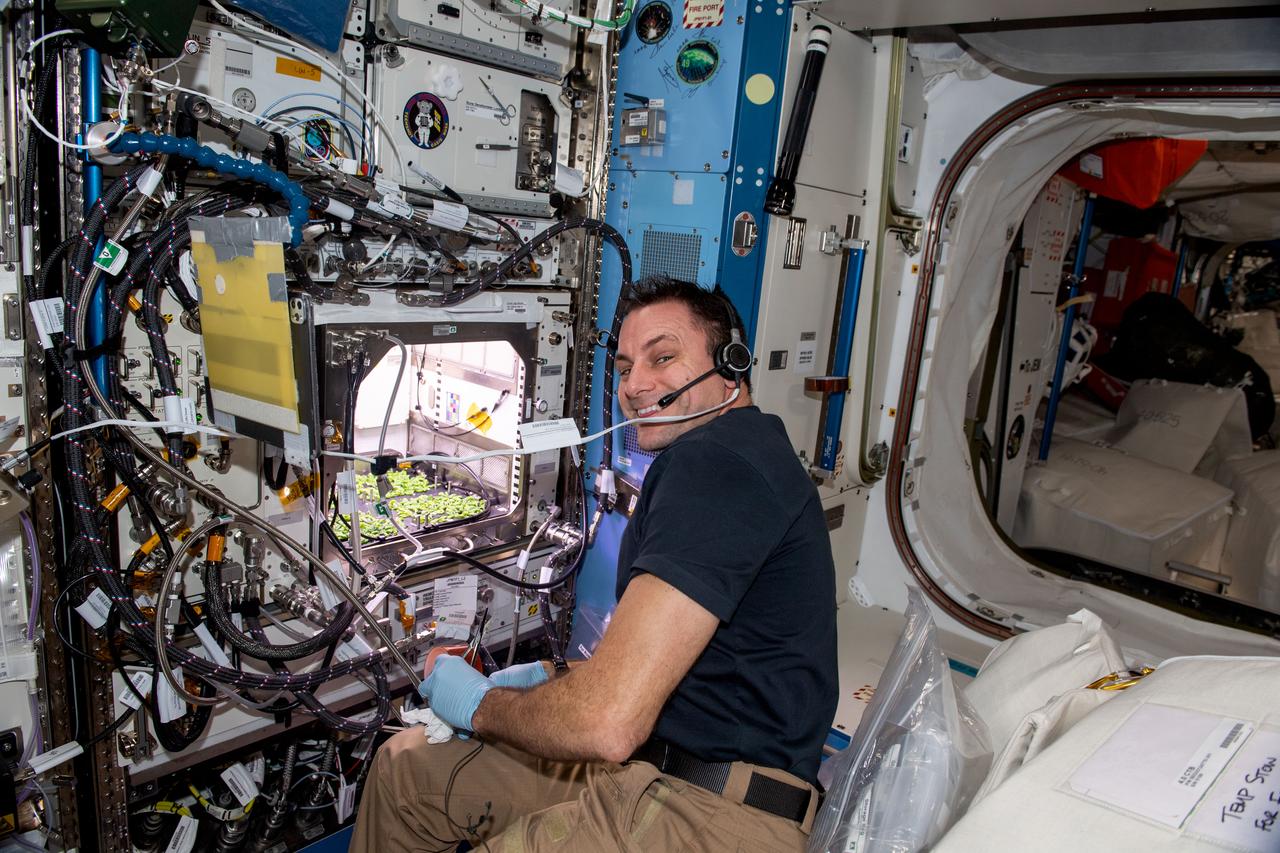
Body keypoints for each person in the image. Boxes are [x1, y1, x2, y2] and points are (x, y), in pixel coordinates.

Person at [351, 276, 838, 852]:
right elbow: (658, 671)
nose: (635, 385)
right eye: (626, 367)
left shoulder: (716, 466)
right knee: (408, 770)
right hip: (652, 767)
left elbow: (607, 723)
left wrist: (482, 705)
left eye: (664, 357)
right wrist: (538, 682)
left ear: (731, 363)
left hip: (708, 811)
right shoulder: (735, 452)